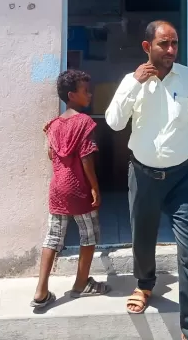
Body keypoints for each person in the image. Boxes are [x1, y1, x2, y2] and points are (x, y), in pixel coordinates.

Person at [105, 20, 188, 340]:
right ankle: (145, 284)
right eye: (164, 44)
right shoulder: (132, 81)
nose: (171, 50)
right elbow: (114, 122)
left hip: (182, 177)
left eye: (174, 43)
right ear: (147, 47)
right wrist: (135, 84)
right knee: (142, 237)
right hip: (143, 175)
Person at [32, 70, 110, 311]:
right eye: (85, 90)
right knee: (89, 235)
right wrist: (95, 187)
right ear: (71, 95)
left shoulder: (53, 125)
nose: (90, 94)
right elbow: (86, 158)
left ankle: (41, 291)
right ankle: (81, 283)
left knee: (53, 237)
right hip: (78, 188)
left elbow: (51, 154)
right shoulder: (85, 122)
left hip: (57, 188)